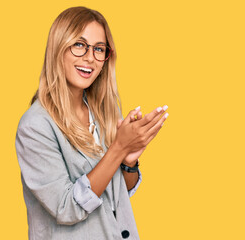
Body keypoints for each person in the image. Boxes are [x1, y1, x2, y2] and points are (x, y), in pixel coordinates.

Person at [15, 6, 168, 240]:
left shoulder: (105, 111)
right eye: (79, 44)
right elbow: (66, 207)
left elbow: (118, 194)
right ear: (58, 47)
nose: (90, 58)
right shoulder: (35, 127)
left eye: (99, 49)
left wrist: (129, 161)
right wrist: (118, 149)